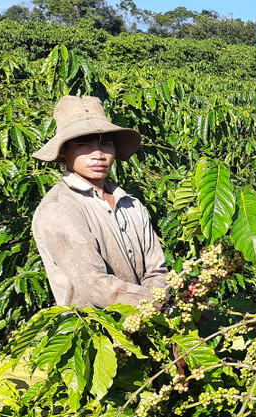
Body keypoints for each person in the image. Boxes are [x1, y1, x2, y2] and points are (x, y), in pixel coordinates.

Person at [31, 96, 168, 308]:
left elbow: (156, 269)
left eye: (106, 144)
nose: (98, 154)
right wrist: (161, 304)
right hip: (94, 332)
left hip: (149, 326)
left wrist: (160, 303)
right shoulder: (58, 209)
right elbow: (94, 284)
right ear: (63, 150)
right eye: (83, 144)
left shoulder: (131, 204)